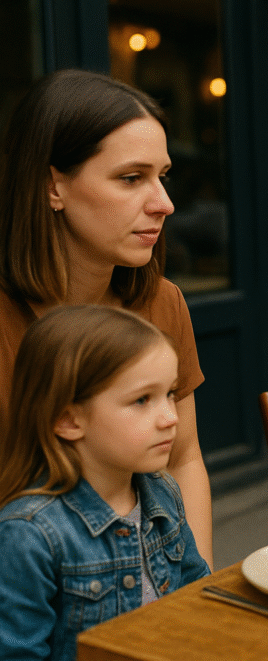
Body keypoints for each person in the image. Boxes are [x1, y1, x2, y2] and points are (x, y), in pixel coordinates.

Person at [0, 69, 212, 567]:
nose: (164, 203)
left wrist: (191, 597)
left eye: (162, 176)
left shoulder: (161, 303)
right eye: (131, 178)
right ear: (54, 185)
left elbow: (184, 457)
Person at [0, 305, 210, 661]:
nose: (170, 417)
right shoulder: (28, 535)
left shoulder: (162, 492)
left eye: (170, 394)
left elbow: (200, 599)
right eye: (143, 399)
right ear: (68, 419)